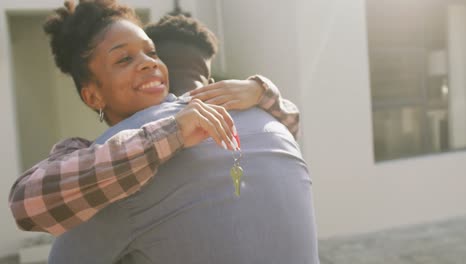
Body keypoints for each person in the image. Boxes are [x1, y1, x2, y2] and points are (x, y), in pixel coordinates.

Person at [9, 2, 319, 263]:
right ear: (93, 96)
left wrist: (260, 90)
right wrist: (262, 95)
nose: (148, 63)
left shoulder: (204, 115)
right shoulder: (134, 147)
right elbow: (26, 203)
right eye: (124, 58)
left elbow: (33, 213)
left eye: (151, 52)